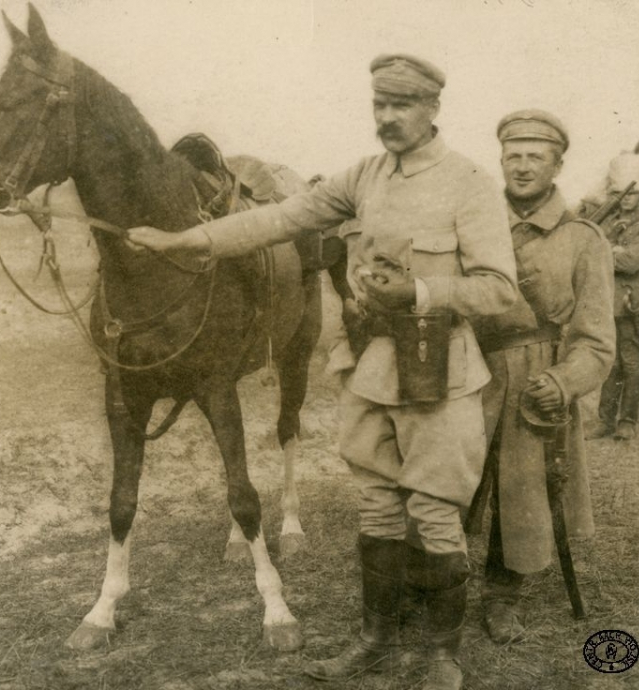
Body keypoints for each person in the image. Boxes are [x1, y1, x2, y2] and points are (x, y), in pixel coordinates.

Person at [128, 54, 518, 690]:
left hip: (441, 371)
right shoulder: (361, 176)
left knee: (438, 511)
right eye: (379, 105)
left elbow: (500, 290)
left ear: (432, 109)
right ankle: (376, 643)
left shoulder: (469, 182)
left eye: (402, 105)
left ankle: (444, 655)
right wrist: (183, 243)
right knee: (377, 509)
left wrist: (418, 293)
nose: (387, 118)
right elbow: (278, 220)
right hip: (369, 368)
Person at [472, 110, 615, 645]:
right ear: (501, 160)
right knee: (450, 484)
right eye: (514, 155)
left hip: (538, 379)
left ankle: (502, 595)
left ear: (557, 164)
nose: (523, 166)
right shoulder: (476, 226)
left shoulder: (583, 239)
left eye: (536, 156)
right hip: (471, 371)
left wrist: (563, 381)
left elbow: (597, 340)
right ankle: (432, 583)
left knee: (522, 492)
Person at [581, 153, 639, 440]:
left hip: (628, 304)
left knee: (630, 362)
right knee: (609, 362)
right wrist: (612, 252)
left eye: (633, 193)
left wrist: (611, 253)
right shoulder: (607, 221)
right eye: (620, 194)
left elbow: (632, 262)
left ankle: (628, 421)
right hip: (606, 302)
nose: (626, 199)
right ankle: (605, 420)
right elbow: (589, 246)